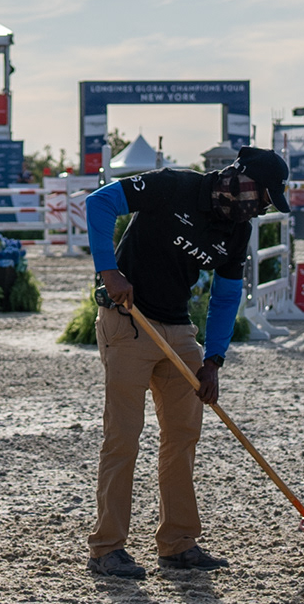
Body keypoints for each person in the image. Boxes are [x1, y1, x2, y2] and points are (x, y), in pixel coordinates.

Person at [81, 147, 291, 578]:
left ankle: (177, 543)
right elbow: (98, 203)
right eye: (262, 197)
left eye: (266, 203)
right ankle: (106, 548)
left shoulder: (237, 232)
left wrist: (213, 359)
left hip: (178, 331)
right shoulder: (174, 185)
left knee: (183, 434)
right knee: (123, 436)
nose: (260, 207)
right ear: (240, 178)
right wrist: (109, 271)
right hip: (128, 322)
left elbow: (227, 295)